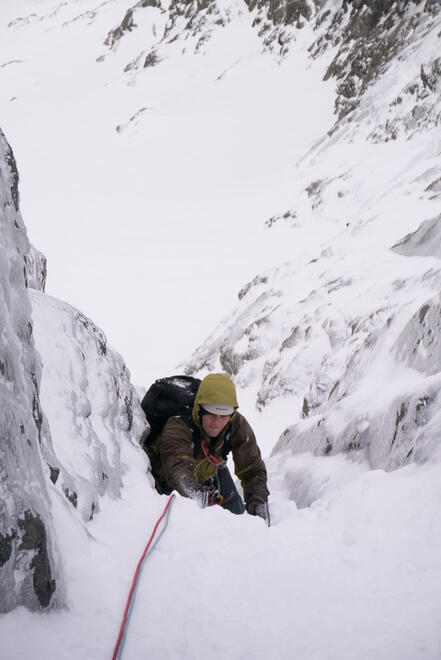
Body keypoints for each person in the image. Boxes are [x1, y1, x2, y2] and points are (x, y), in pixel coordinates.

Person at [157, 373, 269, 517]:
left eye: (224, 416)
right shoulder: (178, 425)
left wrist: (257, 501)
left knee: (237, 512)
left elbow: (252, 468)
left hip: (207, 472)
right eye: (211, 414)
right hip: (167, 483)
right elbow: (178, 466)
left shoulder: (235, 423)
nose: (217, 422)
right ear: (200, 409)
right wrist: (197, 497)